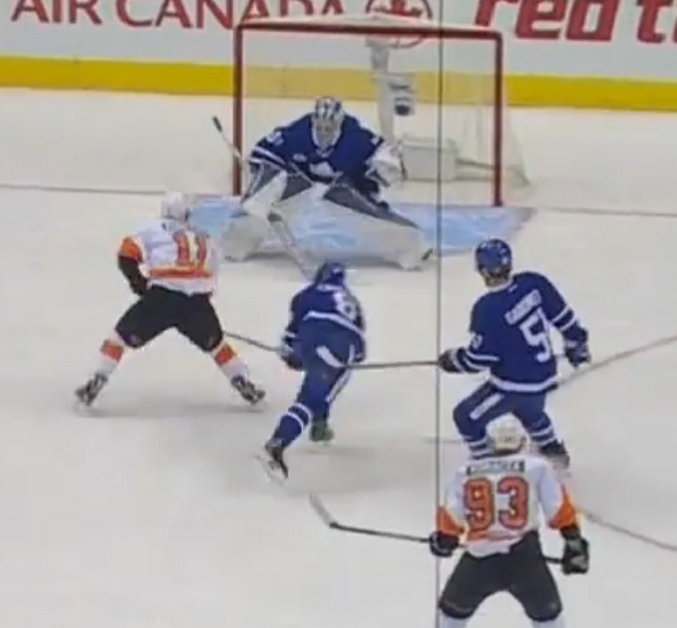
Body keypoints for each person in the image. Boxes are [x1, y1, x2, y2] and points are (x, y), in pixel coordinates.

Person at [74, 192, 266, 408]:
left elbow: (126, 255)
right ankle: (242, 380)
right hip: (196, 302)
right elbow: (213, 270)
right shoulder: (203, 236)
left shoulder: (154, 229)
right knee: (218, 346)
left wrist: (138, 282)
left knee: (117, 340)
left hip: (161, 298)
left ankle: (98, 379)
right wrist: (201, 301)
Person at [220, 96, 431, 270]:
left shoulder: (357, 137)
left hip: (343, 188)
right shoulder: (297, 133)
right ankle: (236, 244)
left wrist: (388, 167)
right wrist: (260, 172)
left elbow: (386, 160)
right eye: (319, 127)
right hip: (300, 183)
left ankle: (412, 248)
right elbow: (264, 154)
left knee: (373, 217)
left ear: (340, 124)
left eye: (329, 128)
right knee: (259, 199)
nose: (323, 132)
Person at [438, 238, 590, 468]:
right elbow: (564, 319)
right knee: (531, 413)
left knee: (466, 417)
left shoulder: (488, 308)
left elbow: (479, 359)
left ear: (481, 269)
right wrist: (575, 345)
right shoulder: (534, 283)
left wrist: (452, 360)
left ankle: (485, 462)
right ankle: (553, 451)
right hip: (544, 375)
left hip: (511, 385)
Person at [429, 417, 590, 628]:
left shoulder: (466, 472)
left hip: (479, 561)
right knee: (549, 620)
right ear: (522, 441)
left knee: (449, 617)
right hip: (525, 560)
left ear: (490, 442)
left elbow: (450, 520)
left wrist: (443, 540)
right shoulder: (537, 466)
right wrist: (574, 543)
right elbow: (558, 508)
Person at [260, 261, 365, 478]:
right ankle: (292, 436)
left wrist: (291, 354)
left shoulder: (306, 294)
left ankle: (307, 430)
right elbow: (360, 344)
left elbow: (291, 335)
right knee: (315, 397)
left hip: (309, 338)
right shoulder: (352, 301)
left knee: (312, 387)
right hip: (342, 347)